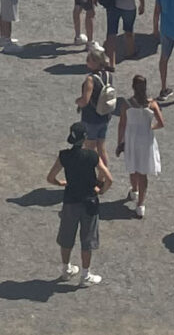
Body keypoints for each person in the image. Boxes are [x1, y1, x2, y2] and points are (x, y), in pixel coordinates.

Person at [48, 122, 110, 286]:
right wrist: (100, 190)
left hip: (70, 201)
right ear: (84, 139)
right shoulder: (92, 156)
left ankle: (66, 269)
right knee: (87, 240)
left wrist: (61, 183)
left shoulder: (64, 156)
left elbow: (50, 177)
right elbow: (108, 178)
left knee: (67, 237)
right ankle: (85, 275)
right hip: (89, 202)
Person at [116, 73, 163, 218]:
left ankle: (134, 190)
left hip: (131, 139)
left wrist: (120, 142)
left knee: (133, 166)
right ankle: (141, 205)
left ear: (133, 87)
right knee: (143, 172)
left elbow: (122, 124)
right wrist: (150, 128)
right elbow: (161, 123)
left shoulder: (126, 104)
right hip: (146, 140)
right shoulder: (152, 104)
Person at [75, 45, 115, 154]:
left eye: (89, 60)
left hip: (91, 119)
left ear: (96, 62)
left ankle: (99, 171)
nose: (86, 61)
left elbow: (85, 101)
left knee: (90, 150)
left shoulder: (90, 79)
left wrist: (77, 101)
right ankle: (105, 170)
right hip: (105, 116)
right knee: (101, 148)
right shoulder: (108, 75)